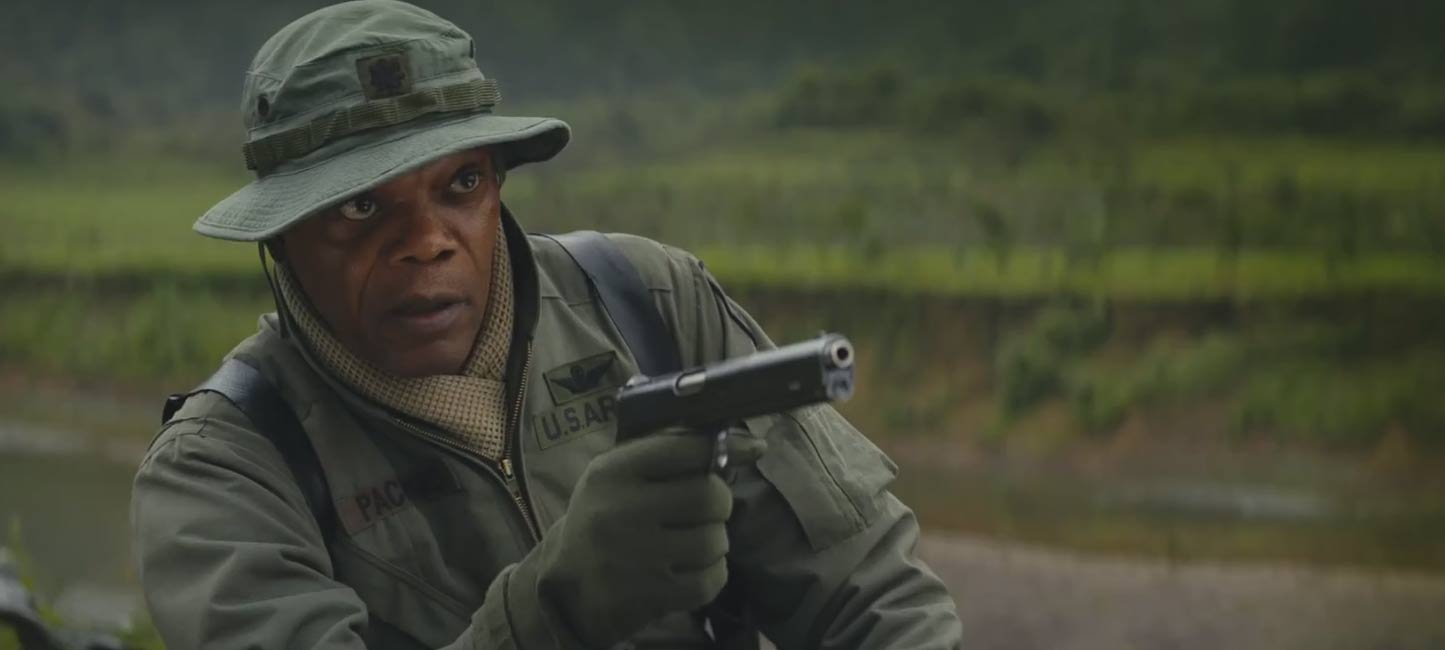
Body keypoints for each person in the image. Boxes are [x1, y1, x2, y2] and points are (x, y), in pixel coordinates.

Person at [130, 2, 961, 649]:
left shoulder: (647, 304)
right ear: (279, 237)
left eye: (460, 185)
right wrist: (558, 607)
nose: (426, 242)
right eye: (360, 208)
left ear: (498, 183)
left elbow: (875, 596)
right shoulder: (225, 469)